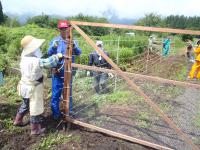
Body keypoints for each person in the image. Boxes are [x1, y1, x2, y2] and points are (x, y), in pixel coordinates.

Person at [13, 35, 63, 135]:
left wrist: (53, 48)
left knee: (26, 104)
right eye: (36, 48)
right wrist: (57, 56)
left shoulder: (24, 57)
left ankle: (17, 120)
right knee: (34, 107)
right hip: (33, 87)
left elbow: (40, 59)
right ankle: (35, 130)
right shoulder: (34, 61)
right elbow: (48, 62)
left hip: (25, 86)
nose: (38, 49)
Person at [48, 20, 82, 119]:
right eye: (62, 29)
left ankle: (69, 112)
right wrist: (54, 48)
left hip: (69, 70)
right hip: (58, 70)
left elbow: (79, 53)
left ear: (69, 29)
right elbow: (49, 53)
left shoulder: (73, 41)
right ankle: (56, 114)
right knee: (56, 93)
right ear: (59, 29)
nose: (64, 31)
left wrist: (74, 46)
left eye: (65, 29)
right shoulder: (55, 41)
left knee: (68, 92)